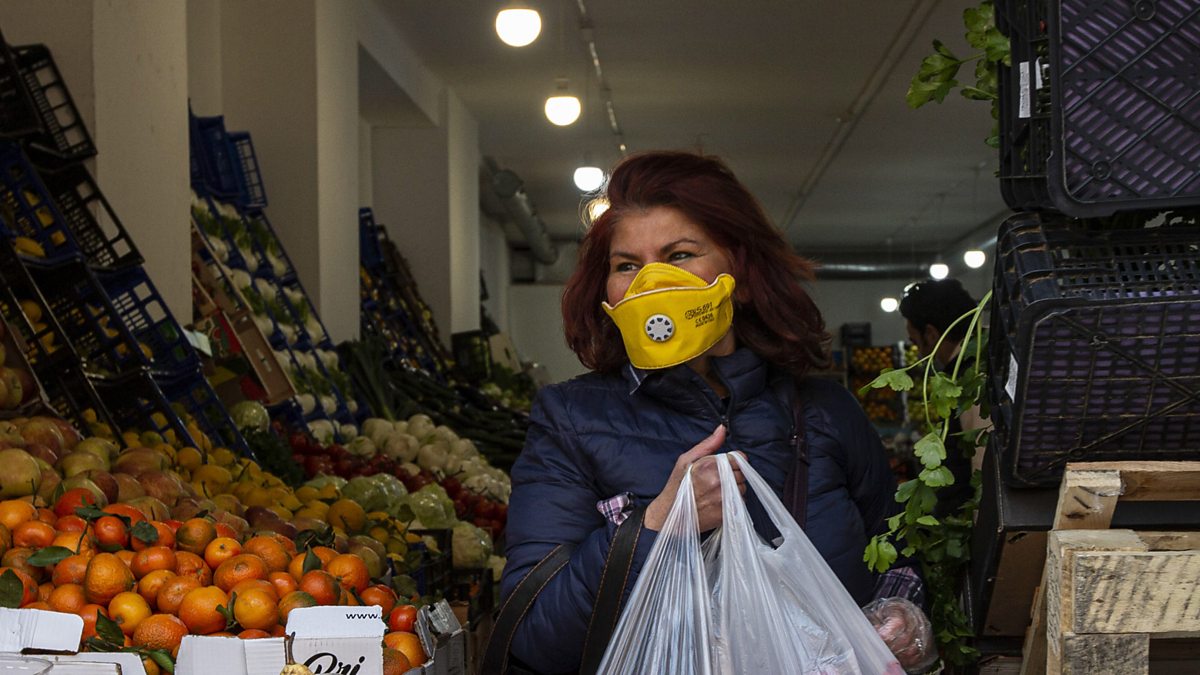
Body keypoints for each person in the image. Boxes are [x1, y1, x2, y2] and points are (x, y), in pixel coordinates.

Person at [498, 151, 934, 674]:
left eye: (679, 255)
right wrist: (659, 525)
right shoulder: (570, 420)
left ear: (741, 275)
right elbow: (533, 637)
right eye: (627, 265)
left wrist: (902, 613)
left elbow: (897, 555)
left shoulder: (827, 412)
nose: (652, 282)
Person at [899, 277, 986, 515]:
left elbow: (982, 466)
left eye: (915, 342)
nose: (919, 353)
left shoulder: (973, 379)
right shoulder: (985, 361)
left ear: (930, 333)